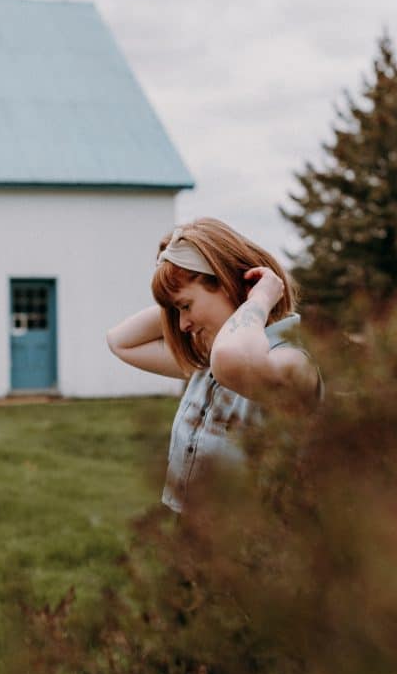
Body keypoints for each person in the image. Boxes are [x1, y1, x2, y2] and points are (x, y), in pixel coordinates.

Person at [106, 218, 321, 513]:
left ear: (228, 284)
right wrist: (173, 290)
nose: (182, 325)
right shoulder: (209, 359)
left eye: (186, 306)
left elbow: (231, 361)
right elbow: (121, 341)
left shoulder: (290, 360)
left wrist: (258, 300)